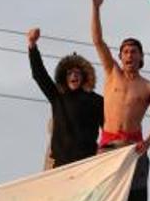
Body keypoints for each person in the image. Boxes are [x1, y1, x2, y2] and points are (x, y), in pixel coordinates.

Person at [91, 0, 150, 201]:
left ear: (141, 57)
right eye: (125, 51)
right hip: (107, 147)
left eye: (134, 51)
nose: (129, 55)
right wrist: (96, 8)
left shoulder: (149, 87)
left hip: (134, 149)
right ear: (120, 56)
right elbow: (97, 41)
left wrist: (148, 143)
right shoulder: (112, 74)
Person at [27, 27, 104, 168]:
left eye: (77, 73)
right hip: (60, 166)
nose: (74, 76)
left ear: (84, 77)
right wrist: (32, 46)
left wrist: (107, 151)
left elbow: (109, 128)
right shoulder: (57, 97)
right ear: (64, 77)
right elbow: (39, 75)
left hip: (87, 165)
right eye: (69, 73)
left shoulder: (96, 101)